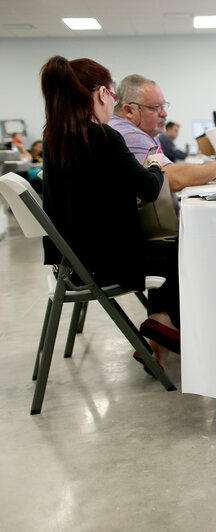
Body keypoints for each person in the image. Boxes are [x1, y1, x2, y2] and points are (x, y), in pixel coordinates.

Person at [39, 55, 180, 370]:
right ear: (102, 94)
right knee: (182, 246)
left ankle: (161, 327)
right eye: (113, 96)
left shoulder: (53, 139)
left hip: (73, 264)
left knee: (167, 247)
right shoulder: (103, 137)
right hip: (108, 264)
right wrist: (156, 166)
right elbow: (147, 187)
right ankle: (165, 321)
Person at [110, 74, 216, 192]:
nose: (164, 114)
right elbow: (170, 178)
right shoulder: (128, 133)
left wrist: (210, 172)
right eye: (155, 107)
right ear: (129, 110)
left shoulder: (144, 131)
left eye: (164, 106)